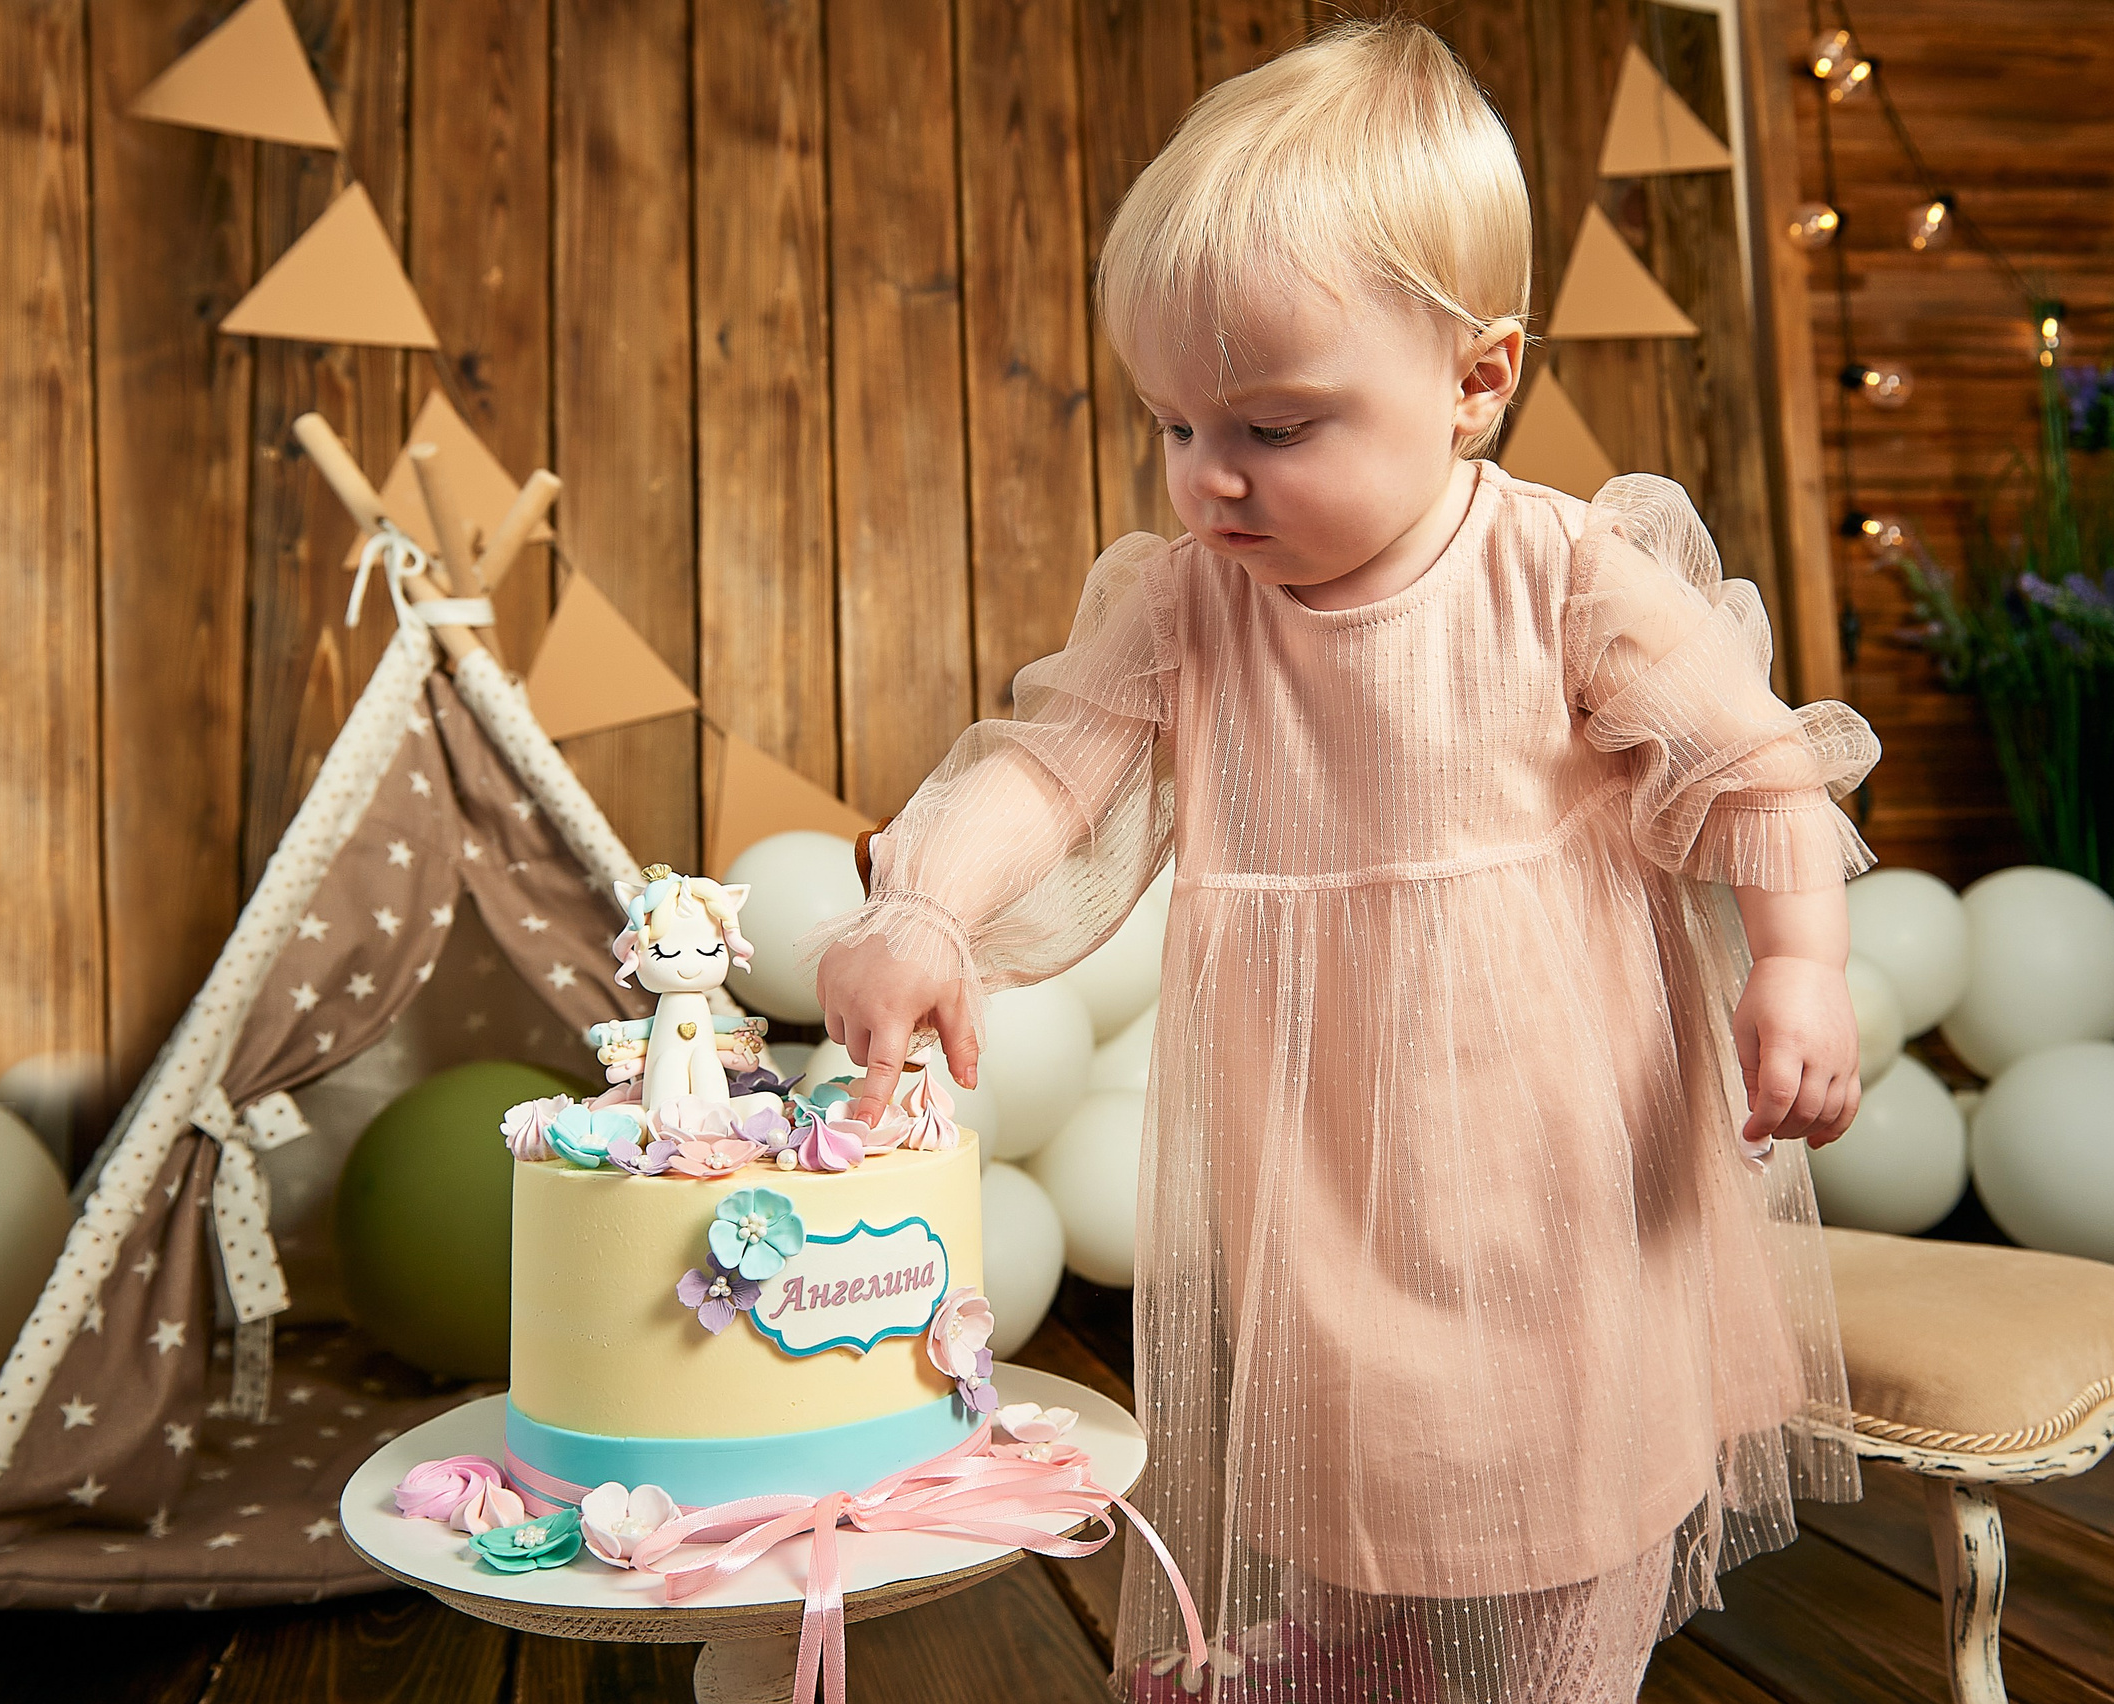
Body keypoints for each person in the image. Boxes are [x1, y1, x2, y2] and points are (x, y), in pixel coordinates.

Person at [804, 19, 1878, 1701]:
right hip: (1322, 1130)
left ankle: (1551, 1677)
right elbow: (1051, 766)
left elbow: (1753, 763)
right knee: (1364, 1432)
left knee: (1558, 1448)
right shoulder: (1187, 605)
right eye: (1172, 423)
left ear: (1476, 379)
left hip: (1563, 1131)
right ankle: (1372, 1648)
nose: (1208, 479)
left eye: (1275, 429)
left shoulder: (1562, 576)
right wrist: (928, 900)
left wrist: (1800, 962)